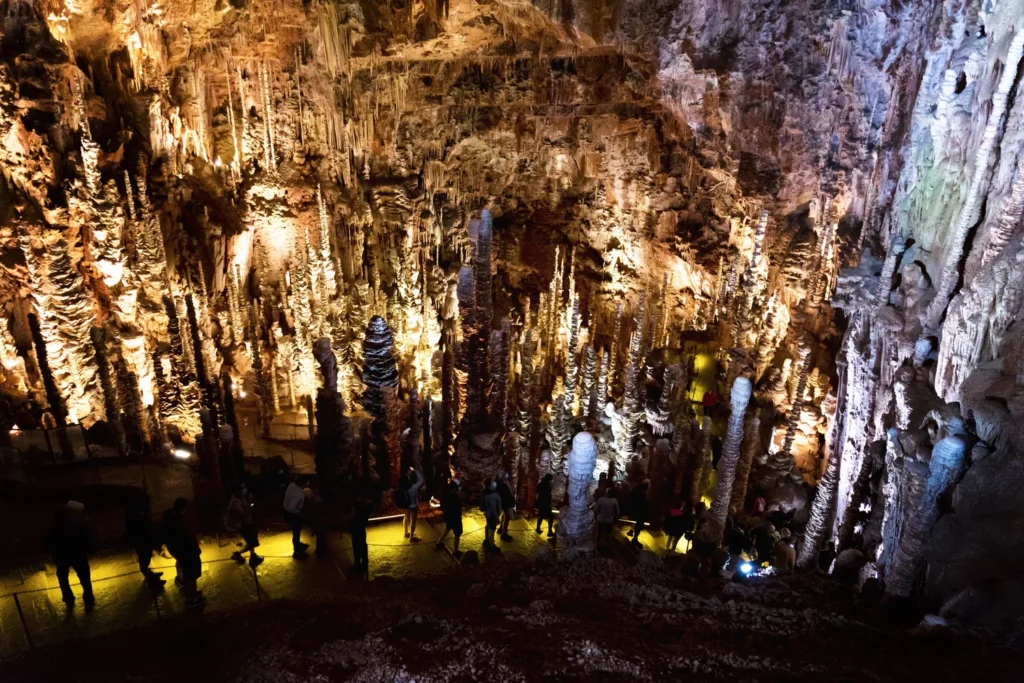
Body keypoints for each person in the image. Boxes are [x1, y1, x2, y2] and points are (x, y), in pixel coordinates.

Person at [51, 501, 94, 608]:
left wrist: (55, 556)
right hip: (78, 554)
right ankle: (88, 596)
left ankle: (68, 596)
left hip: (62, 556)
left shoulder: (54, 528)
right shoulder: (78, 524)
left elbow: (50, 543)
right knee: (84, 577)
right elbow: (85, 537)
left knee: (63, 577)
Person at [163, 498, 204, 608]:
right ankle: (192, 598)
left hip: (180, 552)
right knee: (191, 575)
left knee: (187, 573)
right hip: (187, 552)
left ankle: (190, 593)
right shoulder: (180, 521)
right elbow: (188, 537)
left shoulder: (170, 518)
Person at [125, 494, 165, 590]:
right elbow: (145, 528)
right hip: (142, 540)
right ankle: (150, 578)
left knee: (145, 558)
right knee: (144, 558)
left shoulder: (133, 513)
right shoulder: (138, 515)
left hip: (141, 540)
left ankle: (149, 574)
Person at [224, 484, 263, 567]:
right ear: (236, 491)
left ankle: (253, 557)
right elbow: (243, 515)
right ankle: (237, 554)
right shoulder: (235, 502)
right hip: (242, 525)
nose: (244, 489)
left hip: (247, 523)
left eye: (244, 487)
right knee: (252, 542)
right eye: (242, 488)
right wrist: (249, 502)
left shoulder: (240, 498)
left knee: (252, 540)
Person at [436, 475, 464, 556]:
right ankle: (455, 550)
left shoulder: (445, 490)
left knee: (448, 527)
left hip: (448, 515)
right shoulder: (454, 495)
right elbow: (457, 506)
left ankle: (439, 542)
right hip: (455, 516)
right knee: (457, 533)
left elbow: (443, 503)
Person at [283, 476, 309, 557]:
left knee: (296, 531)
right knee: (296, 531)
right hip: (292, 514)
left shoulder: (291, 485)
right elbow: (292, 507)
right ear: (304, 484)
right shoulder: (299, 494)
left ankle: (298, 544)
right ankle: (297, 551)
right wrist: (298, 513)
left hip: (285, 509)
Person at [399, 467, 425, 542]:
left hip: (405, 504)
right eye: (409, 470)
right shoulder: (413, 488)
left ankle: (406, 532)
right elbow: (421, 480)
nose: (411, 470)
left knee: (406, 517)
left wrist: (410, 473)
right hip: (413, 505)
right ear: (407, 472)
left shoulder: (402, 481)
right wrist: (415, 471)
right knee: (413, 520)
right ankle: (412, 537)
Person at [350, 497, 372, 575]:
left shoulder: (356, 516)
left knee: (357, 547)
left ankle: (357, 563)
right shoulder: (364, 514)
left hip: (356, 532)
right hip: (362, 531)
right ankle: (364, 561)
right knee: (363, 545)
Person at [482, 478, 503, 553]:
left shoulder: (485, 492)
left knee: (488, 525)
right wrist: (497, 518)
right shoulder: (493, 494)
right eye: (492, 482)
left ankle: (486, 540)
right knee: (492, 529)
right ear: (490, 485)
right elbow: (494, 508)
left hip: (487, 513)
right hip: (492, 515)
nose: (494, 482)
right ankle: (491, 546)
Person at [627, 480, 650, 548]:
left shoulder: (637, 490)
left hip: (637, 511)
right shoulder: (642, 494)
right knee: (639, 524)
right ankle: (634, 538)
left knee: (638, 523)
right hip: (640, 512)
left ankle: (632, 533)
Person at [497, 471, 515, 542]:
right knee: (507, 517)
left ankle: (501, 527)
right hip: (506, 503)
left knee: (504, 515)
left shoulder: (499, 484)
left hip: (503, 503)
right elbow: (508, 493)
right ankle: (504, 533)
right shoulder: (504, 484)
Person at [535, 473, 554, 537]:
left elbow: (537, 491)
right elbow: (548, 495)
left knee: (541, 516)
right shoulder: (547, 485)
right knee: (551, 517)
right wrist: (549, 504)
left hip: (541, 503)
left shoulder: (541, 483)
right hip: (545, 503)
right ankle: (549, 531)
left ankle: (538, 528)